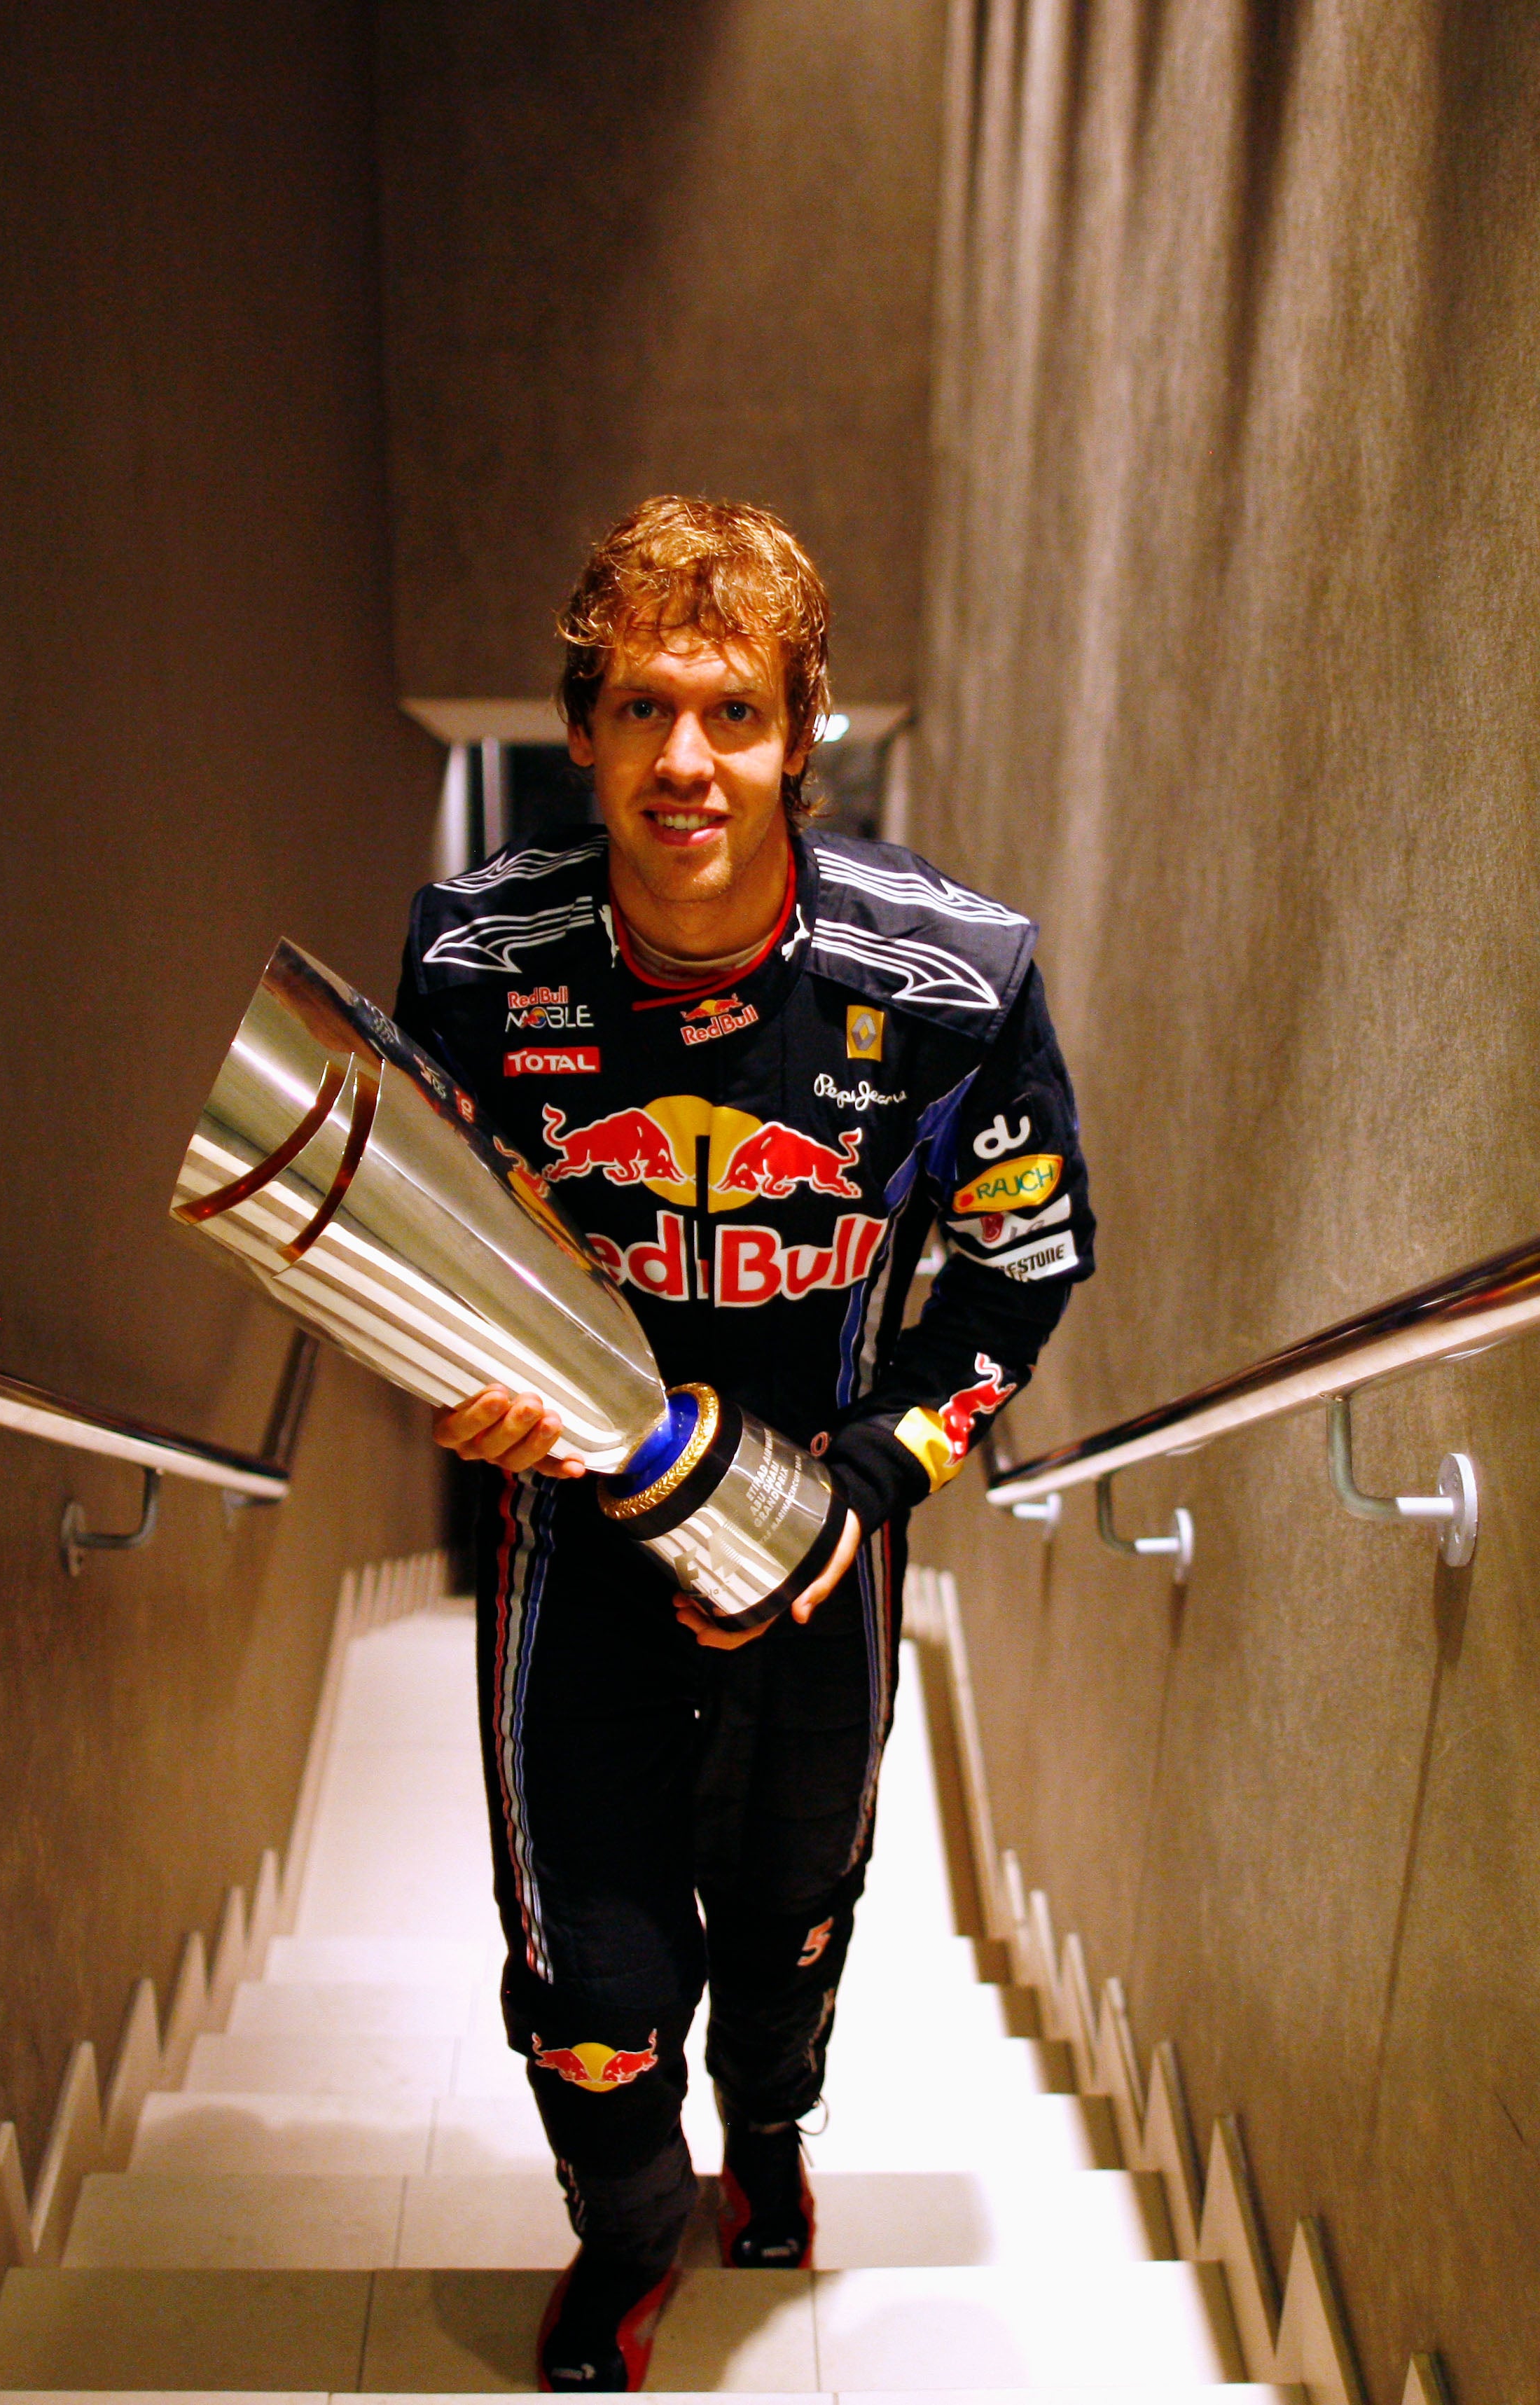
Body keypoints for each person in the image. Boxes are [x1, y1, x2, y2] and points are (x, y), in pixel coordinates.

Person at [392, 497, 1093, 2389]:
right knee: (594, 1992)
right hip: (573, 1555)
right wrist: (443, 1365)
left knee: (790, 1918)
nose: (683, 762)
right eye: (638, 710)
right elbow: (421, 1222)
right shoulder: (474, 960)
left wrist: (868, 1483)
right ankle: (631, 2233)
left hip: (827, 1555)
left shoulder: (951, 977)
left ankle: (772, 2128)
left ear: (803, 733)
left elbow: (1025, 1269)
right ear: (584, 734)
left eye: (728, 713)